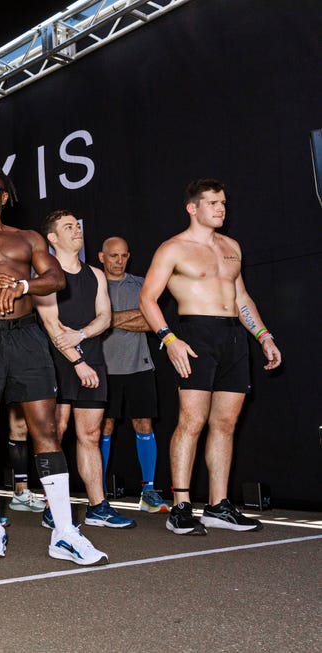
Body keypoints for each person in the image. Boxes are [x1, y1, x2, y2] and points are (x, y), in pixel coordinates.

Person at [0, 161, 107, 565]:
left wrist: (21, 285)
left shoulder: (27, 239)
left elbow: (56, 279)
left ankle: (64, 532)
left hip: (27, 336)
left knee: (45, 429)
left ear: (4, 196)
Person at [140, 179, 281, 535]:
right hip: (194, 335)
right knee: (192, 420)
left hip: (233, 336)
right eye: (213, 203)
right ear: (193, 208)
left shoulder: (231, 247)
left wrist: (263, 336)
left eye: (223, 203)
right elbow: (147, 299)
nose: (221, 209)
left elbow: (242, 298)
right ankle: (181, 506)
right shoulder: (173, 248)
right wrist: (169, 339)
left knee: (226, 423)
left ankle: (218, 506)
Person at [35, 211, 135, 529]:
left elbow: (105, 317)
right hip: (57, 362)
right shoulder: (45, 275)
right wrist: (76, 362)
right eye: (68, 227)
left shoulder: (96, 274)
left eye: (77, 226)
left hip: (92, 359)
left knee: (90, 435)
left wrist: (80, 336)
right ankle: (54, 507)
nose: (77, 231)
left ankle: (98, 506)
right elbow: (51, 326)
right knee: (56, 432)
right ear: (53, 238)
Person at [97, 236, 169, 513]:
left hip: (139, 366)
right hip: (103, 368)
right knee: (103, 428)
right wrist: (133, 317)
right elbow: (90, 324)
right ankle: (98, 491)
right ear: (102, 257)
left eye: (124, 255)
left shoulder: (141, 284)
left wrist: (109, 319)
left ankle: (148, 491)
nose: (119, 260)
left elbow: (152, 322)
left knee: (144, 424)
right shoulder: (95, 284)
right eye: (113, 255)